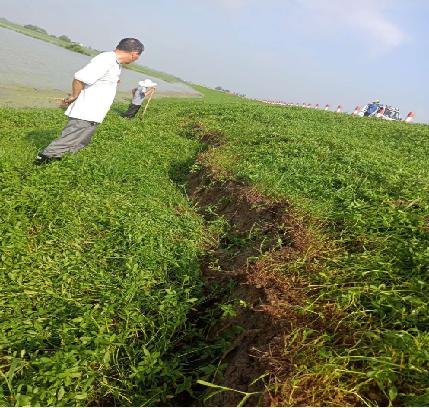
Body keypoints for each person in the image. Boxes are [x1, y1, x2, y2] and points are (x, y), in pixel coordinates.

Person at [36, 38, 144, 163]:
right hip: (86, 111)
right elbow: (79, 78)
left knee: (81, 141)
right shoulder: (105, 59)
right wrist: (74, 96)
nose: (135, 60)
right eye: (137, 57)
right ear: (134, 53)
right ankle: (43, 159)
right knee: (69, 138)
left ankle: (62, 161)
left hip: (96, 113)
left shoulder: (116, 64)